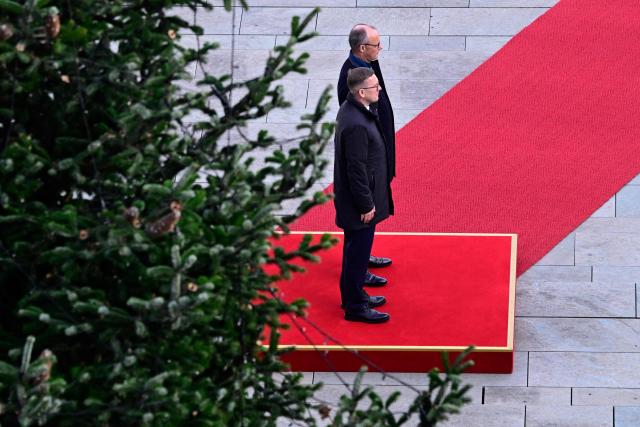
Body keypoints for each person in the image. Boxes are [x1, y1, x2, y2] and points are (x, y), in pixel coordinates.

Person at [337, 23, 395, 287]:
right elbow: (355, 160)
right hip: (368, 162)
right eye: (376, 45)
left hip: (375, 156)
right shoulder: (352, 78)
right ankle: (357, 276)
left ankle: (362, 257)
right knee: (360, 225)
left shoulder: (366, 65)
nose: (380, 49)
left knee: (365, 229)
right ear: (362, 48)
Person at [334, 67, 393, 323]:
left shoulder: (354, 111)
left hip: (358, 200)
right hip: (359, 203)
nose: (379, 89)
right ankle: (356, 306)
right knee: (357, 254)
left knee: (355, 251)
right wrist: (366, 204)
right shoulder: (356, 124)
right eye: (374, 86)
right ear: (361, 92)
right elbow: (355, 169)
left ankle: (354, 295)